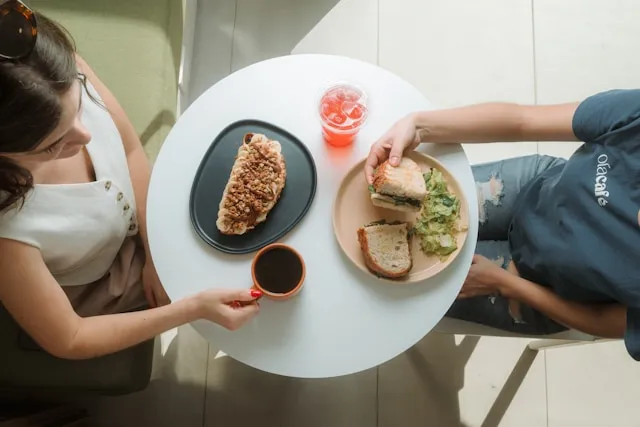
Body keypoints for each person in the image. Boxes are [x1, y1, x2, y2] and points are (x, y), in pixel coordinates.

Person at [0, 9, 260, 360]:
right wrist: (191, 308)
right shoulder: (7, 234)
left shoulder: (50, 72)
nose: (86, 135)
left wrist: (156, 252)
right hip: (99, 281)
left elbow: (129, 147)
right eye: (52, 145)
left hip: (140, 215)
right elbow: (70, 338)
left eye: (80, 108)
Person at [366, 93, 640, 360]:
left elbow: (603, 320)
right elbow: (522, 120)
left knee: (397, 289)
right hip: (532, 190)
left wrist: (507, 285)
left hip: (539, 288)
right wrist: (418, 125)